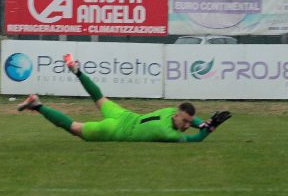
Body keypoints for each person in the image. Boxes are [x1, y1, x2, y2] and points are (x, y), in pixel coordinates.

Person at [17, 54, 231, 143]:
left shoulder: (169, 112)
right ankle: (37, 104)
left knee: (99, 97)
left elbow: (190, 119)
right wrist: (208, 129)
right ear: (177, 116)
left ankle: (77, 70)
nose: (185, 125)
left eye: (187, 122)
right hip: (115, 130)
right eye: (184, 121)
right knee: (74, 128)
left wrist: (201, 122)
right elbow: (194, 140)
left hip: (123, 115)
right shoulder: (168, 134)